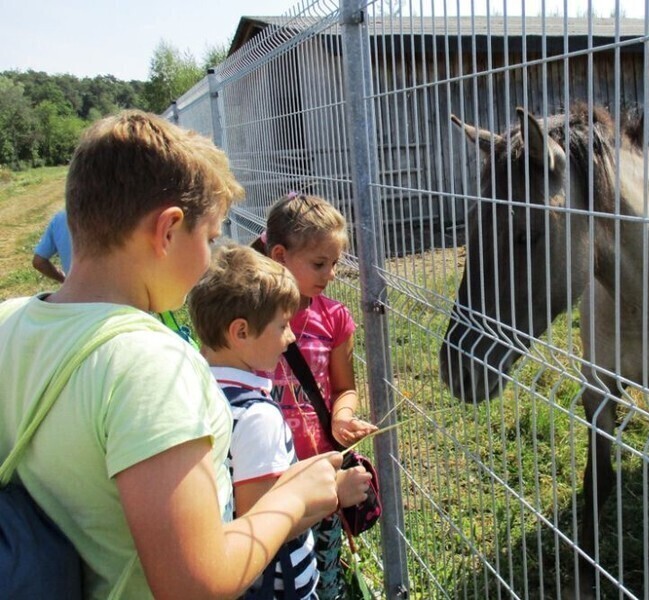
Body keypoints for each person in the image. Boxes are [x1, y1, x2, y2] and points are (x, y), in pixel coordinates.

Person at [0, 110, 342, 600]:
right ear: (167, 230)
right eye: (208, 237)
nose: (209, 257)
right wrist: (292, 498)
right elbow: (192, 585)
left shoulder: (9, 320)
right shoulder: (151, 364)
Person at [188, 244, 372, 599]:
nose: (290, 338)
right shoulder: (258, 417)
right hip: (277, 586)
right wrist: (336, 492)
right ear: (240, 332)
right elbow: (261, 524)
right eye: (283, 325)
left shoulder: (195, 387)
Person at [262, 192, 379, 600]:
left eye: (334, 262)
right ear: (279, 255)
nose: (329, 274)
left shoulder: (334, 319)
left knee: (321, 574)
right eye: (318, 263)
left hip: (321, 476)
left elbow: (344, 387)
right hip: (264, 478)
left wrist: (341, 417)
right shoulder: (247, 317)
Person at [32, 209, 72, 283]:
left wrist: (64, 280)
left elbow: (39, 262)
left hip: (74, 290)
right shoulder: (99, 216)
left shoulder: (60, 218)